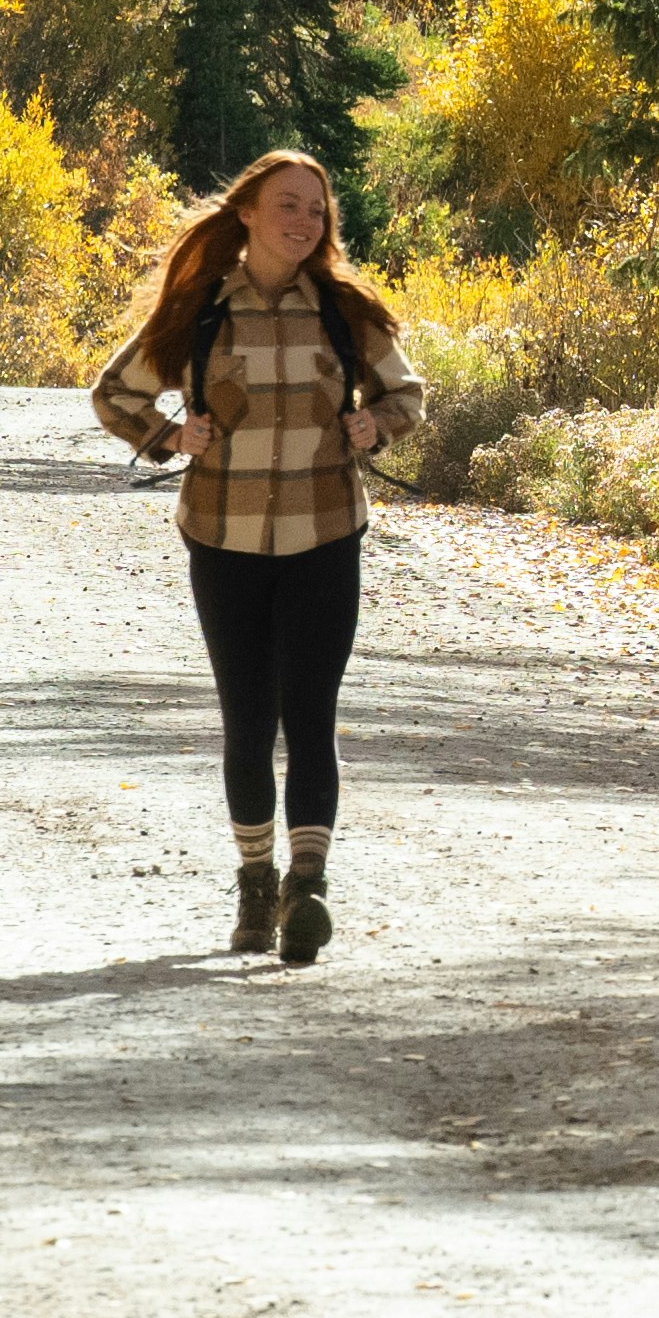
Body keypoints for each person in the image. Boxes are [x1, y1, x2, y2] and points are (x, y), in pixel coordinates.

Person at [91, 149, 416, 963]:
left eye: (316, 209)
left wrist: (375, 425)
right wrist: (171, 436)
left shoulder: (345, 311)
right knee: (247, 721)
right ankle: (255, 883)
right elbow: (115, 394)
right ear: (247, 212)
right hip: (224, 541)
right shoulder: (200, 312)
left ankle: (308, 888)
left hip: (325, 536)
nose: (305, 221)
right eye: (288, 205)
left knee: (311, 714)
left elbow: (405, 394)